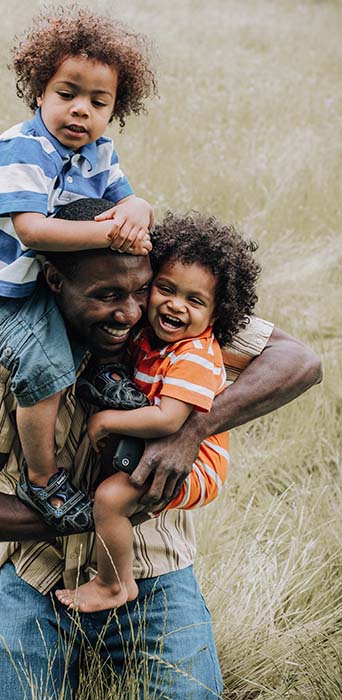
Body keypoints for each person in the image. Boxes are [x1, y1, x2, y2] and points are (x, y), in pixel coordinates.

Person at [0, 199, 322, 700]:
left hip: (155, 568)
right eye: (107, 295)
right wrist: (99, 513)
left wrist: (187, 435)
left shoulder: (169, 318)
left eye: (141, 290)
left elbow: (299, 360)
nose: (129, 312)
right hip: (35, 574)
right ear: (55, 282)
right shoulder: (2, 354)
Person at [0, 5, 156, 529]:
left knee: (91, 313)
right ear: (39, 91)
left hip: (40, 280)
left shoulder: (99, 151)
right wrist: (113, 229)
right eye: (67, 94)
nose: (80, 111)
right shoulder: (22, 147)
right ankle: (43, 480)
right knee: (43, 364)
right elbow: (33, 230)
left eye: (97, 101)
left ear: (114, 110)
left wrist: (138, 209)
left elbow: (126, 200)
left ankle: (97, 377)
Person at [55, 212, 261, 612]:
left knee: (111, 498)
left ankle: (114, 584)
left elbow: (169, 420)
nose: (175, 305)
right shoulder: (155, 340)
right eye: (165, 289)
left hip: (197, 464)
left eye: (194, 300)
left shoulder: (195, 354)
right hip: (164, 442)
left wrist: (105, 420)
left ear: (216, 315)